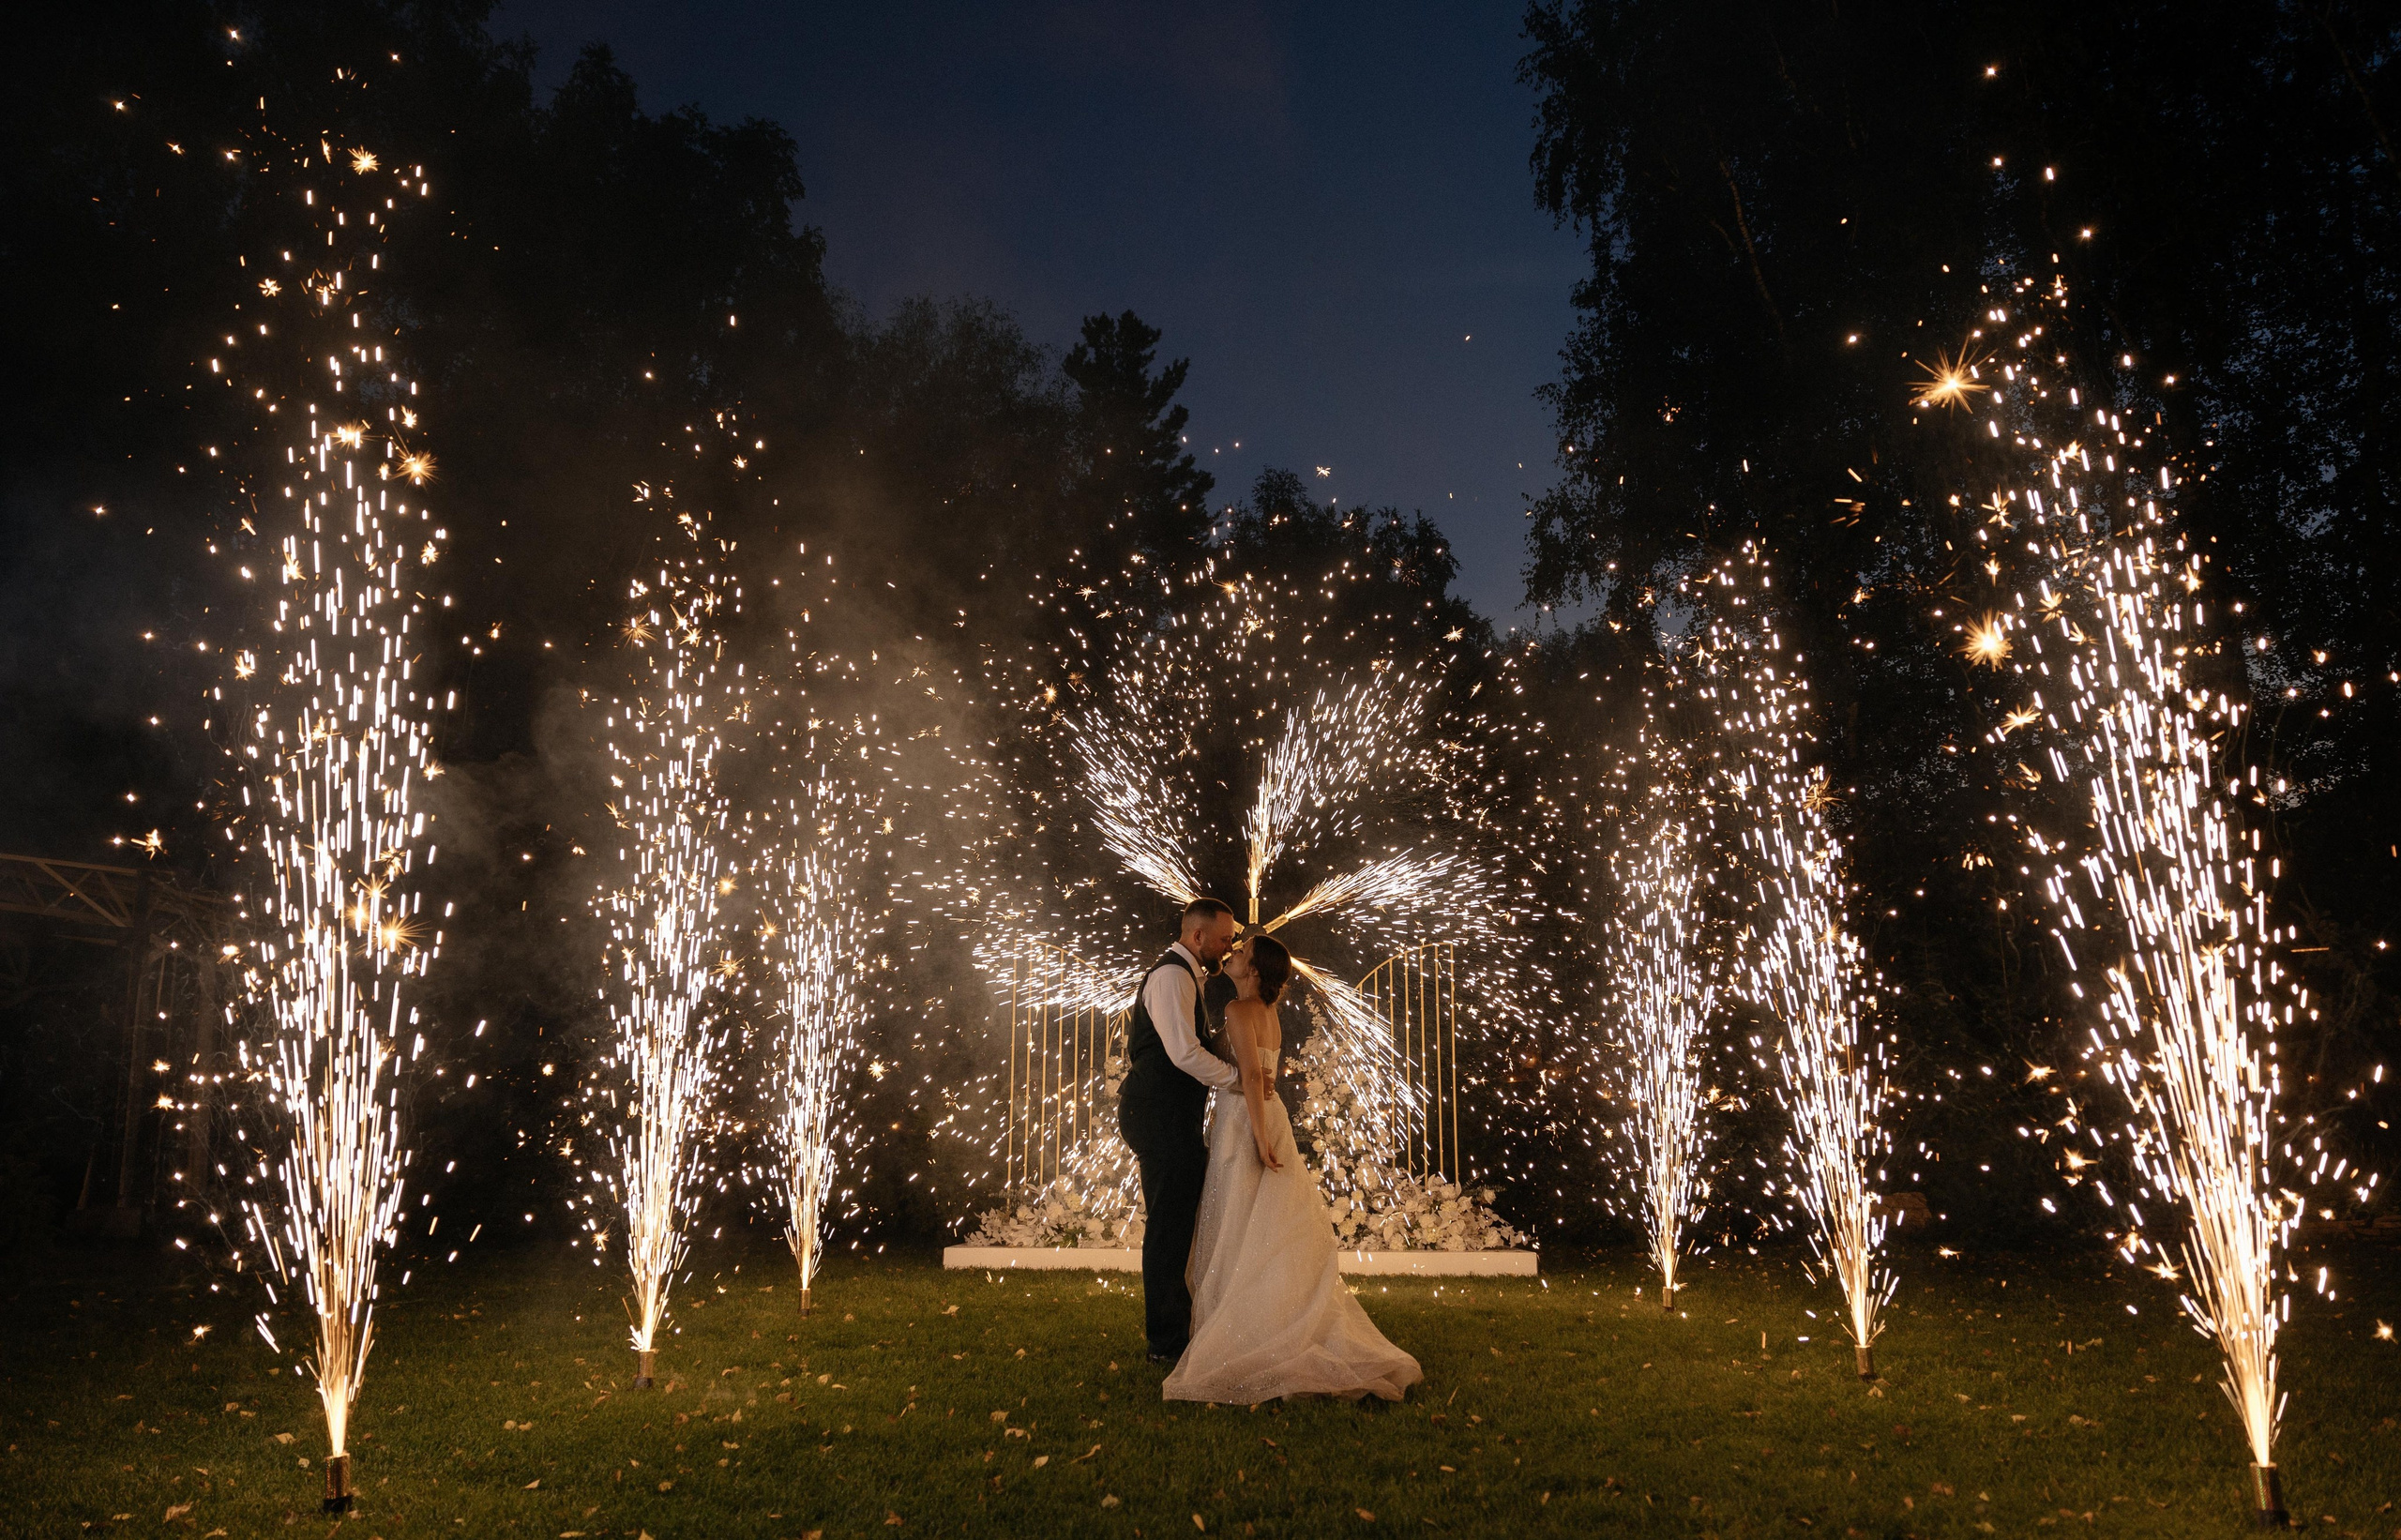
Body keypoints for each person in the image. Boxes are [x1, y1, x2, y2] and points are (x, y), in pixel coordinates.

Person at [1163, 933, 1422, 1403]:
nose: (1233, 954)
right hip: (1268, 1116)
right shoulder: (1268, 1012)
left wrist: (1259, 1138)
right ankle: (1268, 1315)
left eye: (1242, 953)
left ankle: (1243, 1329)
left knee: (1238, 1221)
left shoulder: (1238, 1010)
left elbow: (1252, 1077)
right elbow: (1264, 1074)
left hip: (1246, 1123)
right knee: (1263, 1225)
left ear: (1254, 969)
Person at [1116, 896, 1242, 1362]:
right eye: (1224, 939)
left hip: (1169, 1114)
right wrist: (1239, 1080)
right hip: (1157, 1114)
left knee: (1177, 1223)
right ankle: (1166, 1344)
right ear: (1198, 935)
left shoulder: (1187, 975)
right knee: (1168, 1228)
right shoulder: (1172, 976)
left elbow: (1192, 1046)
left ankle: (1177, 1330)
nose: (1229, 947)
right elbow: (1184, 1054)